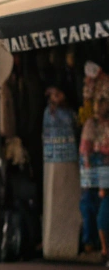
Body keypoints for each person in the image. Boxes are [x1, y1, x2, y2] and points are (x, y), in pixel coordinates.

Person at [42, 86, 81, 260]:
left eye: (57, 95)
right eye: (51, 96)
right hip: (56, 157)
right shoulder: (52, 113)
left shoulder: (64, 113)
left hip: (62, 158)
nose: (53, 99)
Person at [79, 94, 109, 259]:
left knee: (102, 203)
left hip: (104, 165)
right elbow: (85, 148)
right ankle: (91, 241)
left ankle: (99, 243)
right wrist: (88, 167)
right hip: (93, 166)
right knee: (90, 203)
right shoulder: (92, 123)